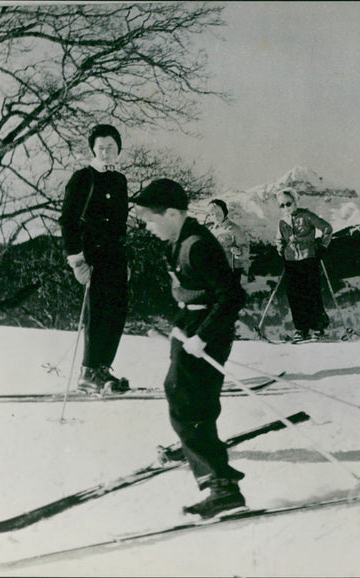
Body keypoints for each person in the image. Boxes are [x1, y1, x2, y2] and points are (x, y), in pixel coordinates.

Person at [133, 178, 247, 519]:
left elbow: (232, 296)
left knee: (186, 398)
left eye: (150, 220)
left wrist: (204, 336)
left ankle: (221, 485)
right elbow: (188, 291)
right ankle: (202, 456)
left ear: (170, 214)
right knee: (188, 397)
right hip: (190, 325)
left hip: (207, 329)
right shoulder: (177, 240)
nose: (149, 228)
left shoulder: (197, 245)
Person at [59, 124, 130, 393]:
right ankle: (88, 371)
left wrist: (125, 261)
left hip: (115, 257)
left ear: (118, 149)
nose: (105, 152)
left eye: (110, 147)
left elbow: (120, 225)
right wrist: (77, 260)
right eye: (100, 148)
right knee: (98, 313)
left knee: (117, 312)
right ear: (93, 150)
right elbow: (68, 221)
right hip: (92, 258)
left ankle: (103, 368)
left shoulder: (120, 180)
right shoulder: (82, 178)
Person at [275, 188, 332, 342]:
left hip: (308, 258)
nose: (286, 207)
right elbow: (279, 239)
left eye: (288, 203)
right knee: (295, 295)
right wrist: (281, 249)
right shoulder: (282, 222)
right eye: (282, 205)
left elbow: (327, 228)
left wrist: (322, 246)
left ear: (295, 202)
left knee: (311, 293)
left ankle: (318, 327)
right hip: (291, 260)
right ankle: (301, 328)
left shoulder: (306, 216)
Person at [206, 199, 251, 280]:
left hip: (231, 269)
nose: (215, 217)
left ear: (225, 212)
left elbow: (245, 248)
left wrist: (239, 251)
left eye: (218, 214)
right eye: (212, 214)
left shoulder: (234, 229)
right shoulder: (212, 230)